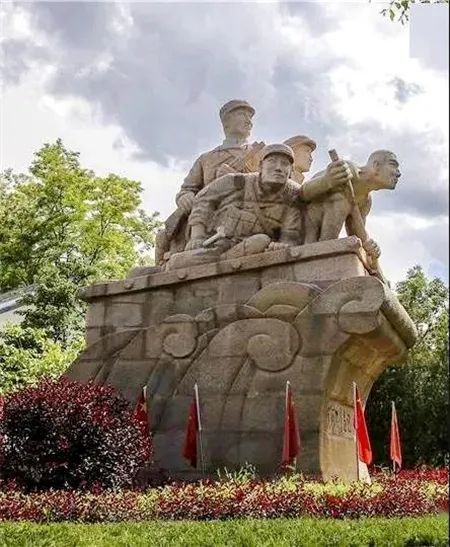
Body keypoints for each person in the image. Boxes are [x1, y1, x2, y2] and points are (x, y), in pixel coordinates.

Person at [154, 100, 264, 265]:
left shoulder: (261, 155)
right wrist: (185, 197)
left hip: (244, 216)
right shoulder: (206, 159)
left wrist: (239, 177)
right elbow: (187, 188)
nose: (249, 121)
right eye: (243, 115)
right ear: (226, 122)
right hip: (206, 217)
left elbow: (272, 187)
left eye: (250, 117)